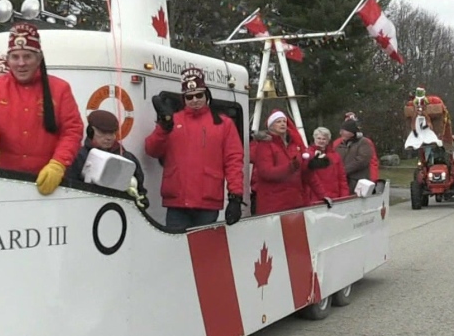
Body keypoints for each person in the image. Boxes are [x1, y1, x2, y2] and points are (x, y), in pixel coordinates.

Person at [0, 23, 84, 195]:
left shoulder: (60, 89)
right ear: (8, 59)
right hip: (3, 180)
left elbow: (72, 131)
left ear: (39, 58)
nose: (21, 63)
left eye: (27, 56)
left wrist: (58, 164)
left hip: (46, 183)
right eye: (15, 57)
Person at [144, 67, 245, 230]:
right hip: (177, 202)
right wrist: (163, 128)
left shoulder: (223, 124)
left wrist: (235, 197)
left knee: (203, 251)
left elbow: (234, 161)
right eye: (190, 97)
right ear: (184, 99)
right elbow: (151, 150)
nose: (195, 100)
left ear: (207, 95)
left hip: (207, 202)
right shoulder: (172, 122)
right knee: (178, 250)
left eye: (199, 95)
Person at [66, 109, 148, 208]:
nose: (109, 137)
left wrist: (141, 199)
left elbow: (140, 190)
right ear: (90, 131)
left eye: (112, 133)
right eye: (103, 133)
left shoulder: (128, 159)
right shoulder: (78, 157)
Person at [252, 110, 307, 215]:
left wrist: (312, 165)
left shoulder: (293, 145)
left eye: (284, 121)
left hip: (294, 201)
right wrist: (290, 167)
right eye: (278, 121)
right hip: (274, 204)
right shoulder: (265, 146)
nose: (282, 124)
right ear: (271, 126)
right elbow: (266, 172)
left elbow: (302, 172)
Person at [303, 126, 349, 202]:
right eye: (319, 138)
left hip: (335, 196)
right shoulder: (308, 155)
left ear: (328, 141)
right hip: (315, 197)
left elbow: (342, 177)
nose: (321, 141)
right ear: (314, 139)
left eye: (324, 139)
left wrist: (344, 196)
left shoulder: (335, 156)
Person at [330, 113, 379, 182]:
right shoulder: (337, 143)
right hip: (341, 179)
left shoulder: (364, 142)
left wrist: (373, 179)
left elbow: (368, 161)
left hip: (357, 179)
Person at [334, 120, 376, 193]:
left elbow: (362, 160)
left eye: (343, 131)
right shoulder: (339, 144)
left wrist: (343, 170)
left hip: (357, 181)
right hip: (342, 180)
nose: (340, 133)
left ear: (351, 132)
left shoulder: (363, 142)